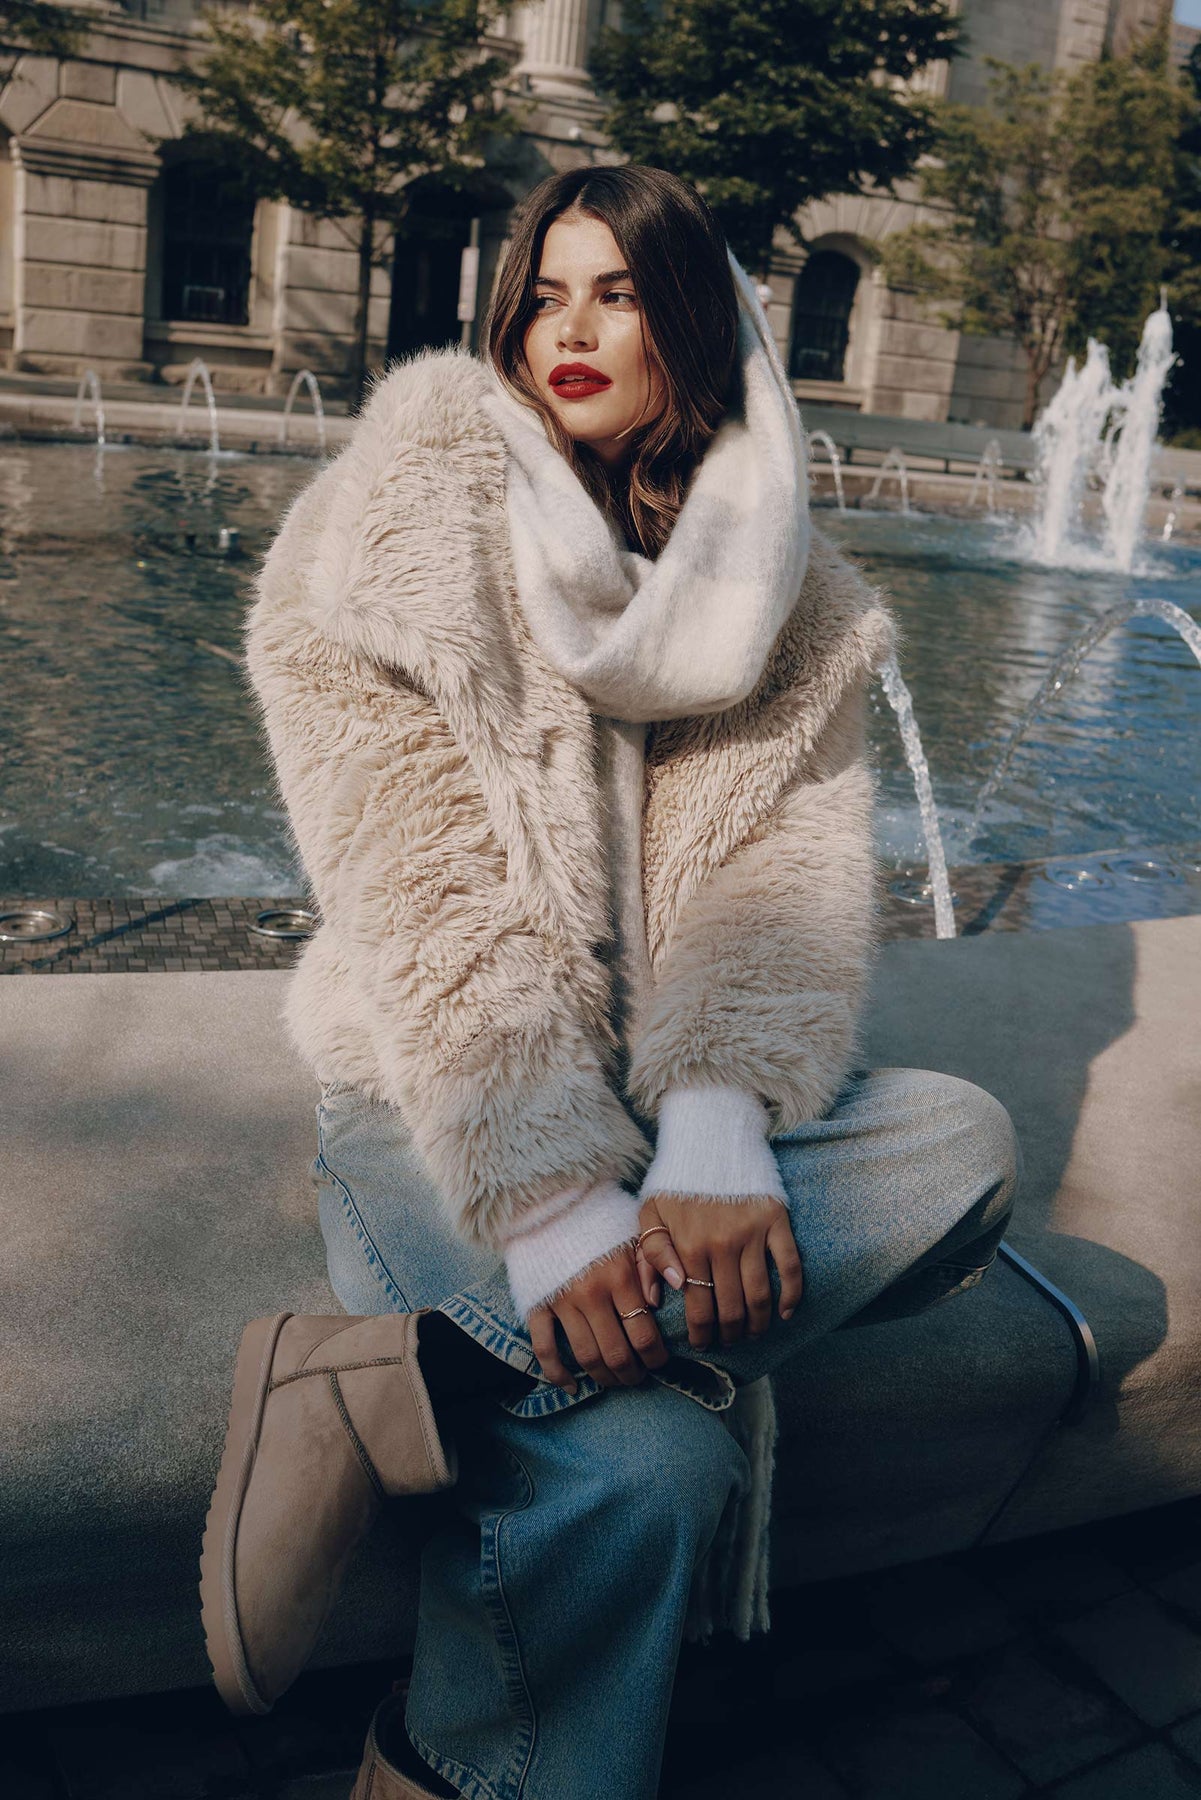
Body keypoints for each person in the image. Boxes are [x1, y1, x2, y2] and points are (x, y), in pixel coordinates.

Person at [199, 164, 1020, 1800]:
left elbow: (783, 880)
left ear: (690, 324)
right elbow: (417, 894)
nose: (566, 331)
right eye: (543, 295)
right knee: (643, 1470)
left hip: (668, 1107)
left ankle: (409, 1380)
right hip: (441, 1098)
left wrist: (714, 1127)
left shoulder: (794, 600)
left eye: (619, 294)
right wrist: (555, 1197)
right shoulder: (389, 534)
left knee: (960, 1149)